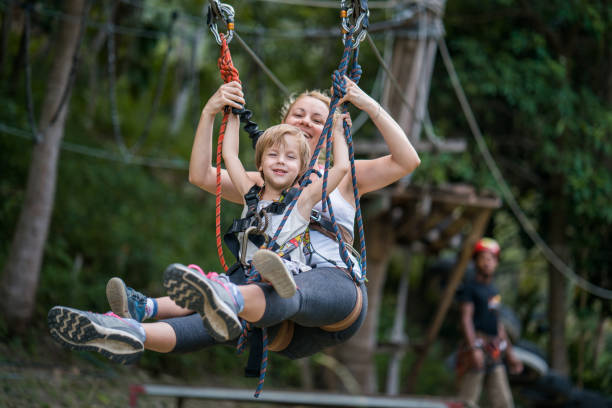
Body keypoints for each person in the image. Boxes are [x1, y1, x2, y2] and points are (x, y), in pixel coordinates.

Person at [48, 76, 420, 363]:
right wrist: (210, 112)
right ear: (282, 125)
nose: (306, 122)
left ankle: (223, 296)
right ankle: (130, 331)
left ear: (331, 129)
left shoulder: (344, 176)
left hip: (333, 294)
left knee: (271, 288)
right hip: (273, 317)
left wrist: (365, 104)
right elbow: (202, 174)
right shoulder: (262, 183)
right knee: (226, 312)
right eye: (298, 115)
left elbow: (407, 160)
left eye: (317, 118)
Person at [455, 237, 524, 408]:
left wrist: (510, 353)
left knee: (504, 401)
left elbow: (497, 323)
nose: (487, 262)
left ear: (496, 263)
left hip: (493, 347)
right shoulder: (469, 288)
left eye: (491, 259)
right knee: (468, 400)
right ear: (476, 261)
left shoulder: (493, 291)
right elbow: (466, 318)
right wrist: (473, 348)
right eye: (483, 258)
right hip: (476, 344)